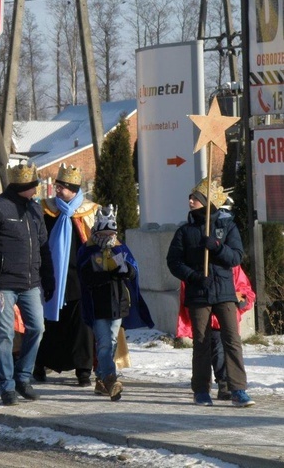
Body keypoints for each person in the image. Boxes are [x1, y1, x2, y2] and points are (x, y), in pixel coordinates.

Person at [0, 163, 54, 406]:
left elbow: (44, 248)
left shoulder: (36, 210)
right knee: (4, 334)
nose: (36, 189)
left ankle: (22, 378)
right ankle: (6, 386)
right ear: (21, 187)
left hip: (31, 283)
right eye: (33, 186)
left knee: (37, 328)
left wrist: (48, 278)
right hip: (1, 284)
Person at [167, 178, 254, 407]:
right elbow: (173, 262)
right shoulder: (184, 232)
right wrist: (193, 276)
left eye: (195, 198)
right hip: (198, 294)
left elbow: (236, 256)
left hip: (225, 292)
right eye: (191, 197)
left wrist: (216, 246)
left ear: (207, 203)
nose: (190, 201)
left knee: (232, 340)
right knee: (202, 342)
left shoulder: (227, 226)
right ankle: (201, 390)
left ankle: (238, 389)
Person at [77, 205, 154, 401]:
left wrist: (127, 270)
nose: (107, 236)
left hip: (117, 304)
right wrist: (106, 274)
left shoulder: (120, 247)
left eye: (110, 232)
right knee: (104, 344)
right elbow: (85, 279)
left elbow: (133, 270)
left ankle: (101, 380)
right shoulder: (87, 250)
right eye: (103, 232)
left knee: (110, 344)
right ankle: (111, 379)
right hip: (97, 305)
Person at [34, 164, 98, 387]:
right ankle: (40, 364)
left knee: (82, 326)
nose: (57, 191)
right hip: (51, 276)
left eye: (61, 188)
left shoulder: (89, 211)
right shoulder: (46, 210)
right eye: (57, 187)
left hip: (80, 278)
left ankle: (83, 370)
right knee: (49, 323)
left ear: (73, 189)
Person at [176, 265, 256, 401]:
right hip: (206, 316)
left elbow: (244, 289)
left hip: (224, 317)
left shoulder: (230, 265)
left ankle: (226, 385)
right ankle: (215, 386)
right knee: (214, 350)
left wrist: (242, 299)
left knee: (225, 348)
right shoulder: (195, 264)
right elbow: (186, 295)